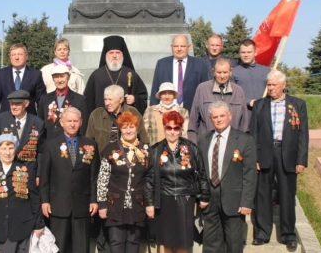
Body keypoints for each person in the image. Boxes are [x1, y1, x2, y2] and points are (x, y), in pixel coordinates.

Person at [250, 70, 309, 249]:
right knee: (262, 195)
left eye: (274, 85)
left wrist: (301, 160)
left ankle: (288, 233)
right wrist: (254, 158)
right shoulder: (259, 105)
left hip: (287, 155)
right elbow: (253, 134)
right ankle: (262, 232)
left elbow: (303, 135)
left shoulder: (297, 105)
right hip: (264, 154)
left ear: (284, 85)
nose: (271, 88)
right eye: (269, 85)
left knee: (287, 195)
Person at [145, 111, 210, 253]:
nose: (172, 132)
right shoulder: (155, 150)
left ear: (181, 129)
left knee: (183, 241)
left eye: (176, 128)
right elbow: (149, 179)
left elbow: (202, 173)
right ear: (164, 128)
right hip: (164, 199)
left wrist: (204, 196)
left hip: (185, 199)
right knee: (166, 241)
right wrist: (149, 203)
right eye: (169, 128)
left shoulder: (192, 148)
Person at [198, 101, 257, 253]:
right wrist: (201, 195)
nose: (219, 119)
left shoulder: (245, 140)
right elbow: (201, 171)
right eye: (215, 117)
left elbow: (250, 174)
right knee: (210, 244)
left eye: (222, 116)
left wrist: (246, 202)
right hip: (210, 200)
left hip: (234, 200)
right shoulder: (204, 140)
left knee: (233, 243)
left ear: (230, 116)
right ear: (210, 119)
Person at [40, 107, 100, 253]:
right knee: (59, 245)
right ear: (61, 122)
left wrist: (93, 200)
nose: (72, 124)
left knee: (81, 246)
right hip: (58, 205)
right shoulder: (50, 145)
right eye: (69, 121)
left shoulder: (90, 145)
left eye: (75, 121)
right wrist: (45, 201)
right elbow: (45, 176)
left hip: (82, 205)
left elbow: (93, 176)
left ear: (81, 122)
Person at [0, 133, 45, 252]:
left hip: (22, 227)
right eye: (3, 148)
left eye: (11, 148)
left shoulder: (25, 170)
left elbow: (34, 199)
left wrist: (38, 224)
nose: (7, 153)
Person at [97, 111, 151, 253]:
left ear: (137, 128)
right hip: (115, 205)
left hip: (137, 204)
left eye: (131, 127)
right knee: (116, 242)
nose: (128, 131)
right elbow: (103, 178)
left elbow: (150, 178)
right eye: (125, 127)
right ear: (120, 129)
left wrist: (150, 203)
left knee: (133, 243)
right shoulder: (110, 149)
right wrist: (102, 204)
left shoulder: (146, 150)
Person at [188, 58, 249, 144]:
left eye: (225, 72)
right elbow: (193, 122)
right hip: (206, 143)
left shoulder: (238, 91)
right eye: (219, 72)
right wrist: (194, 145)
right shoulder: (202, 89)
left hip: (232, 144)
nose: (222, 76)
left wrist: (241, 145)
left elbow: (244, 124)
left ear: (231, 72)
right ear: (213, 71)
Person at [84, 35, 148, 115]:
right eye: (111, 53)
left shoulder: (131, 74)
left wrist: (135, 99)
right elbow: (87, 102)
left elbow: (143, 97)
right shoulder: (96, 76)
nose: (114, 56)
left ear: (123, 55)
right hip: (101, 121)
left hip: (126, 122)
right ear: (106, 55)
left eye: (118, 53)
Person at [0, 44, 46, 134]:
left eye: (20, 54)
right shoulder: (1, 75)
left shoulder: (36, 74)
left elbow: (42, 102)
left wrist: (41, 124)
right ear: (10, 57)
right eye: (13, 55)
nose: (16, 57)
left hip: (29, 122)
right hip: (6, 121)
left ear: (26, 56)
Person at [150, 34, 209, 111]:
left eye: (182, 46)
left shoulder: (199, 65)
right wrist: (154, 112)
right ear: (171, 47)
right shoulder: (162, 64)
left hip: (192, 112)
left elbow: (205, 91)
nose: (179, 49)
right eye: (176, 46)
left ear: (188, 47)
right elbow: (155, 89)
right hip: (165, 112)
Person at [0, 90, 46, 178]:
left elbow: (41, 151)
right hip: (7, 171)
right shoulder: (2, 119)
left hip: (28, 172)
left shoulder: (37, 123)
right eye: (11, 104)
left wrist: (38, 174)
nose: (14, 107)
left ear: (26, 104)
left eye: (17, 104)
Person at [87, 85, 149, 153]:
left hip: (127, 159)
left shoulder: (133, 113)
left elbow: (143, 138)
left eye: (110, 99)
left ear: (121, 100)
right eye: (105, 99)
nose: (107, 103)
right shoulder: (96, 114)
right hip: (102, 159)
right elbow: (88, 141)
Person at [38, 65, 88, 139]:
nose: (59, 80)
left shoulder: (80, 99)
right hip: (50, 143)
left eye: (62, 76)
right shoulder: (45, 99)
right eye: (56, 77)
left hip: (71, 142)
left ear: (68, 77)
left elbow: (83, 127)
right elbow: (40, 123)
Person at [232, 39, 271, 119]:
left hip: (264, 115)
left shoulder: (267, 71)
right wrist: (249, 101)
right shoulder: (233, 72)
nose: (246, 55)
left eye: (249, 52)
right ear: (239, 53)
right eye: (243, 52)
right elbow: (231, 94)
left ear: (255, 52)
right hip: (243, 116)